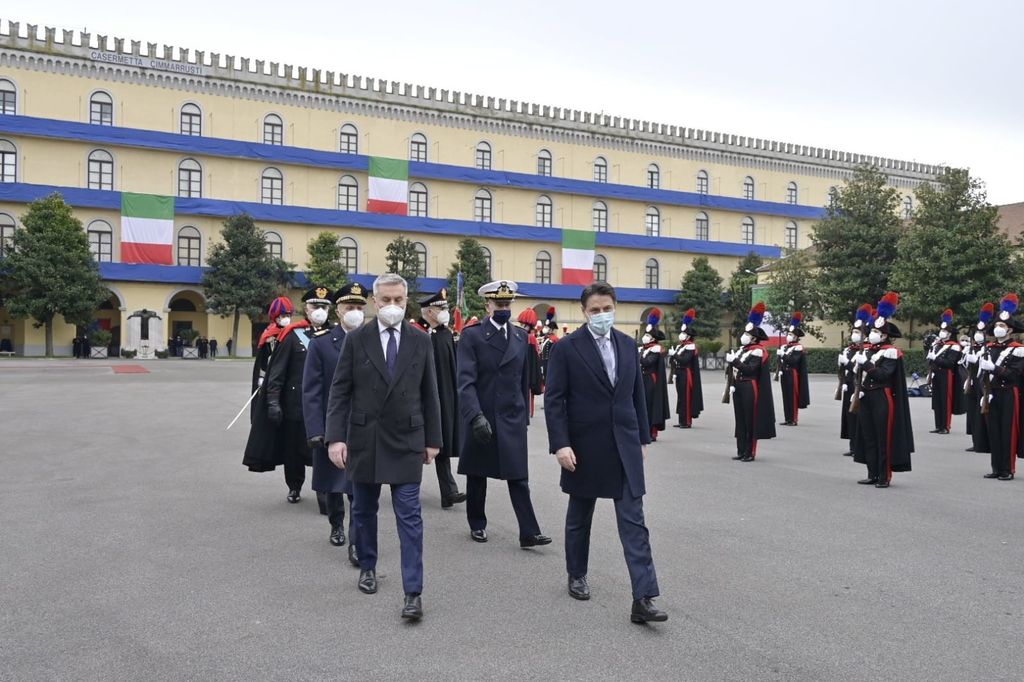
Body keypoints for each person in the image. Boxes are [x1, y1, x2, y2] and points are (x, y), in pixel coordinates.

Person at [544, 282, 667, 624]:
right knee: (580, 516)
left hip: (624, 445)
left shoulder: (628, 345)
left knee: (634, 522)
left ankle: (643, 597)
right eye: (595, 310)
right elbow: (554, 401)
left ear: (616, 308)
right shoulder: (567, 348)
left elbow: (636, 395)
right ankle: (577, 573)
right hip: (583, 446)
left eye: (607, 309)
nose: (601, 315)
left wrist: (643, 437)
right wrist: (561, 443)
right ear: (584, 312)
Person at [325, 273, 441, 621]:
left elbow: (429, 392)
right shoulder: (357, 340)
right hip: (365, 439)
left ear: (407, 302)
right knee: (363, 511)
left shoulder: (420, 341)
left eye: (399, 301)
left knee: (410, 518)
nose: (393, 307)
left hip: (406, 439)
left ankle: (413, 592)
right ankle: (369, 566)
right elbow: (339, 391)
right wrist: (336, 437)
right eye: (386, 300)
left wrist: (433, 440)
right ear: (375, 302)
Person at [457, 280, 551, 548]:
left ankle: (528, 531)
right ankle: (477, 523)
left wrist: (523, 415)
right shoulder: (472, 335)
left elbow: (523, 382)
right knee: (477, 474)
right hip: (482, 414)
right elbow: (465, 382)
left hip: (510, 416)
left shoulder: (521, 337)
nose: (504, 308)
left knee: (518, 475)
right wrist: (474, 415)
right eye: (499, 304)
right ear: (487, 304)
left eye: (508, 304)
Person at [303, 282, 368, 567]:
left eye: (359, 307)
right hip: (332, 426)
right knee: (333, 485)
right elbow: (312, 391)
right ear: (338, 310)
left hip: (364, 427)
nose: (354, 312)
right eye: (349, 307)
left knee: (359, 490)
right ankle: (336, 523)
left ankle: (357, 541)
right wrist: (316, 430)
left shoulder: (372, 340)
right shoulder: (321, 343)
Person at [264, 287, 332, 503]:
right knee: (294, 451)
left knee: (323, 448)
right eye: (315, 306)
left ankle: (325, 489)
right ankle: (294, 486)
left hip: (326, 405)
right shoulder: (292, 335)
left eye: (324, 306)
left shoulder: (335, 336)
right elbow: (277, 372)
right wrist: (273, 401)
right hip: (296, 404)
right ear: (306, 308)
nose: (319, 310)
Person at [851, 292, 914, 488]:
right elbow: (861, 374)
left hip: (882, 397)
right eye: (871, 332)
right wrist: (857, 380)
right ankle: (872, 473)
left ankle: (884, 475)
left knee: (882, 437)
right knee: (868, 436)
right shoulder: (868, 350)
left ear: (885, 335)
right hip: (866, 396)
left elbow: (883, 375)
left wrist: (867, 364)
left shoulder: (891, 352)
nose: (872, 334)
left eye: (876, 333)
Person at [417, 288, 467, 509]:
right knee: (424, 443)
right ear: (429, 312)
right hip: (429, 397)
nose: (445, 311)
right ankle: (405, 485)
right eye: (440, 308)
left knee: (442, 442)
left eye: (445, 307)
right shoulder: (423, 336)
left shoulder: (446, 334)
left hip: (447, 395)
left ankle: (449, 492)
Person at [242, 297, 293, 475]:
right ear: (275, 317)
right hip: (273, 381)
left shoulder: (295, 332)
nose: (285, 318)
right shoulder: (268, 335)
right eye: (282, 315)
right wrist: (262, 379)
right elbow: (263, 363)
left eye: (288, 314)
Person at [979, 293, 1024, 481]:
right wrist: (984, 392)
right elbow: (984, 375)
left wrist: (994, 368)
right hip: (992, 393)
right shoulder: (989, 347)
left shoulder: (1018, 349)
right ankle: (996, 467)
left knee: (1007, 431)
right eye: (996, 325)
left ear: (1010, 330)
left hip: (1008, 393)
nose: (998, 329)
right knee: (994, 431)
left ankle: (1007, 469)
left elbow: (1015, 374)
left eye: (1002, 326)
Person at [725, 302, 776, 462]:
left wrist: (735, 362)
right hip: (739, 386)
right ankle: (741, 450)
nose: (744, 336)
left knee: (749, 419)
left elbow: (749, 369)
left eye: (747, 335)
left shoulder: (759, 351)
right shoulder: (742, 350)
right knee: (739, 419)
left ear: (754, 337)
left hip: (749, 386)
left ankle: (750, 452)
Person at [838, 304, 872, 456]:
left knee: (859, 417)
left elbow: (862, 368)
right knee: (850, 415)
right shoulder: (849, 349)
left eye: (857, 332)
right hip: (849, 385)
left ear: (865, 335)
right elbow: (845, 370)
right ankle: (852, 445)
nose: (854, 334)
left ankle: (860, 446)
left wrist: (848, 364)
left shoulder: (868, 350)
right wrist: (843, 381)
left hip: (861, 387)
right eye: (853, 332)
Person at [927, 309, 965, 434]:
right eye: (941, 330)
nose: (942, 333)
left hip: (946, 374)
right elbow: (930, 360)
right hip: (936, 373)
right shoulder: (937, 344)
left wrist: (935, 358)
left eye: (944, 331)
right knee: (937, 401)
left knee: (945, 401)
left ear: (949, 334)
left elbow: (949, 363)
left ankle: (946, 426)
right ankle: (938, 425)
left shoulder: (954, 346)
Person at [963, 303, 993, 454]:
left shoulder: (989, 348)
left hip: (984, 383)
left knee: (983, 413)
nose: (978, 334)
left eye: (981, 332)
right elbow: (966, 366)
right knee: (974, 413)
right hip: (974, 381)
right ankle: (976, 441)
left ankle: (984, 443)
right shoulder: (973, 347)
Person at [668, 309, 703, 429]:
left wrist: (675, 355)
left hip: (686, 372)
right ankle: (681, 419)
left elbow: (684, 360)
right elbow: (675, 361)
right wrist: (672, 358)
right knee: (680, 397)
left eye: (683, 333)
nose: (681, 335)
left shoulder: (690, 346)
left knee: (686, 397)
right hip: (678, 372)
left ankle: (687, 421)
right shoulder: (680, 346)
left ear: (688, 336)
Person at [639, 309, 670, 441]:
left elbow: (647, 362)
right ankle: (642, 430)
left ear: (652, 338)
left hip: (651, 380)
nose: (644, 337)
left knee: (650, 405)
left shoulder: (655, 350)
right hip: (642, 379)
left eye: (647, 335)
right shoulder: (642, 349)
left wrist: (637, 356)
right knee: (641, 405)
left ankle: (652, 431)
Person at [777, 312, 810, 426]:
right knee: (785, 396)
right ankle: (788, 418)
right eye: (788, 334)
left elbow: (793, 361)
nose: (788, 336)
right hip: (785, 373)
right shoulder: (786, 347)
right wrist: (779, 370)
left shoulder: (798, 347)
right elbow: (782, 361)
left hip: (792, 374)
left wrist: (783, 355)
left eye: (791, 334)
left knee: (792, 397)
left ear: (796, 337)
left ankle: (794, 419)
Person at [516, 308, 543, 418]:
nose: (522, 326)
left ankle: (528, 411)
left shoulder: (531, 338)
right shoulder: (523, 336)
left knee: (528, 393)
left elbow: (533, 358)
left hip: (529, 369)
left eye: (523, 324)